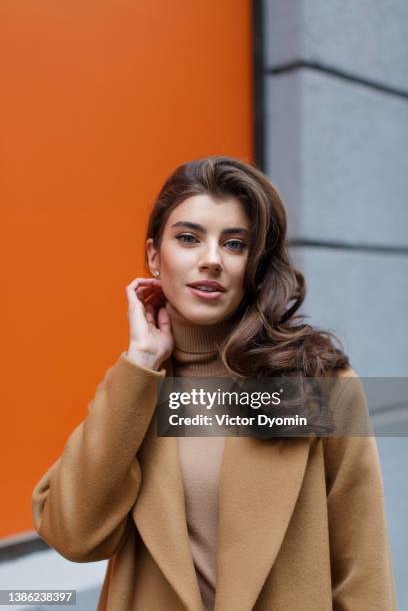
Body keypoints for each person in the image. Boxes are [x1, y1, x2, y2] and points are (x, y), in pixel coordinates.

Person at [32, 156, 397, 610]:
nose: (211, 260)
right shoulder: (139, 386)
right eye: (188, 238)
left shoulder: (316, 382)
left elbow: (362, 573)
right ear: (154, 256)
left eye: (235, 244)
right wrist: (140, 363)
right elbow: (73, 535)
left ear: (256, 262)